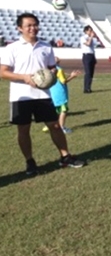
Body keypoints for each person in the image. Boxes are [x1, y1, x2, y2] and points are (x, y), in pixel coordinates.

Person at [0, 13, 85, 175]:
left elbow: (52, 67)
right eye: (28, 25)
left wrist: (49, 74)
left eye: (35, 25)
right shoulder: (12, 48)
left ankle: (65, 156)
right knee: (23, 129)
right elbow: (3, 73)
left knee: (55, 125)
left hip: (43, 95)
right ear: (20, 28)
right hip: (21, 96)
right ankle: (30, 162)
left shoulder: (46, 47)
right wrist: (25, 78)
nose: (33, 28)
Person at [43, 57, 81, 134]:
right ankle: (61, 127)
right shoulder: (59, 69)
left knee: (56, 110)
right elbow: (63, 81)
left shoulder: (47, 69)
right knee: (64, 110)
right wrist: (72, 76)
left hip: (51, 92)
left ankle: (50, 125)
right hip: (60, 93)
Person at [81, 25, 97, 93]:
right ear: (86, 31)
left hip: (91, 55)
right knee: (87, 72)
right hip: (86, 55)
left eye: (91, 30)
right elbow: (88, 44)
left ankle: (89, 87)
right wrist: (91, 37)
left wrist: (94, 57)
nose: (91, 32)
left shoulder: (92, 39)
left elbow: (92, 48)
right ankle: (86, 88)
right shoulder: (83, 38)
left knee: (91, 73)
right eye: (90, 30)